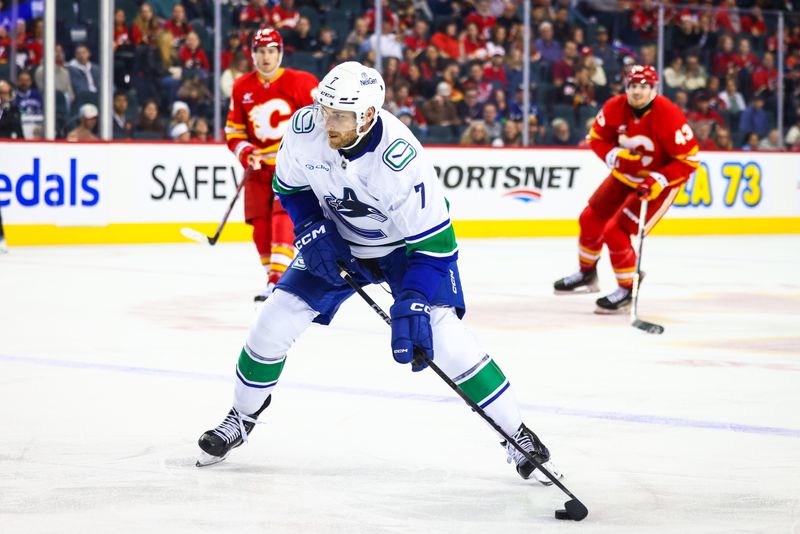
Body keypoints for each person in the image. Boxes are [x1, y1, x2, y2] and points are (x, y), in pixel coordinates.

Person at [196, 62, 564, 487]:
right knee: (272, 320)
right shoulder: (305, 129)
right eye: (323, 108)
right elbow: (290, 188)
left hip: (404, 252)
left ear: (368, 115)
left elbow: (435, 248)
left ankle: (516, 435)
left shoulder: (401, 160)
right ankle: (241, 418)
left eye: (338, 115)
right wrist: (310, 228)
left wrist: (414, 300)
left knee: (445, 338)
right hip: (338, 243)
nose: (325, 121)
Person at [553, 65, 700, 313]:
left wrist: (658, 181)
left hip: (658, 185)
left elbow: (689, 161)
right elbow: (596, 139)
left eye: (643, 87)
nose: (637, 91)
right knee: (589, 219)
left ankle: (627, 288)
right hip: (625, 176)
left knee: (616, 231)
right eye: (633, 86)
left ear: (654, 89)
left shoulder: (668, 114)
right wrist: (614, 156)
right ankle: (587, 274)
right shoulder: (614, 107)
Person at [224, 27, 319, 302]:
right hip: (257, 170)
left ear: (280, 53)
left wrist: (301, 156)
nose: (266, 57)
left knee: (282, 218)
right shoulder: (242, 86)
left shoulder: (302, 83)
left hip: (289, 169)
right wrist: (246, 152)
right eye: (260, 51)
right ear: (252, 55)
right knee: (260, 224)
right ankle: (273, 278)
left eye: (271, 51)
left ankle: (278, 280)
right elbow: (234, 131)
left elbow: (317, 124)